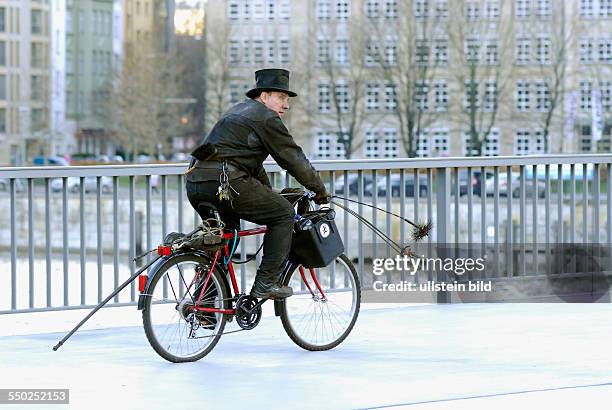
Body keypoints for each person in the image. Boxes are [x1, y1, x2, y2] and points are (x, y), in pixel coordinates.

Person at [185, 68, 330, 300]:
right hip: (226, 184)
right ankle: (266, 284)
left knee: (222, 238)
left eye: (287, 99)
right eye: (281, 97)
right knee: (283, 215)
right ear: (264, 96)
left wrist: (271, 193)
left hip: (196, 182)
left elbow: (250, 166)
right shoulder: (266, 117)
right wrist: (321, 192)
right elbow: (293, 159)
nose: (286, 104)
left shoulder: (236, 111)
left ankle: (207, 305)